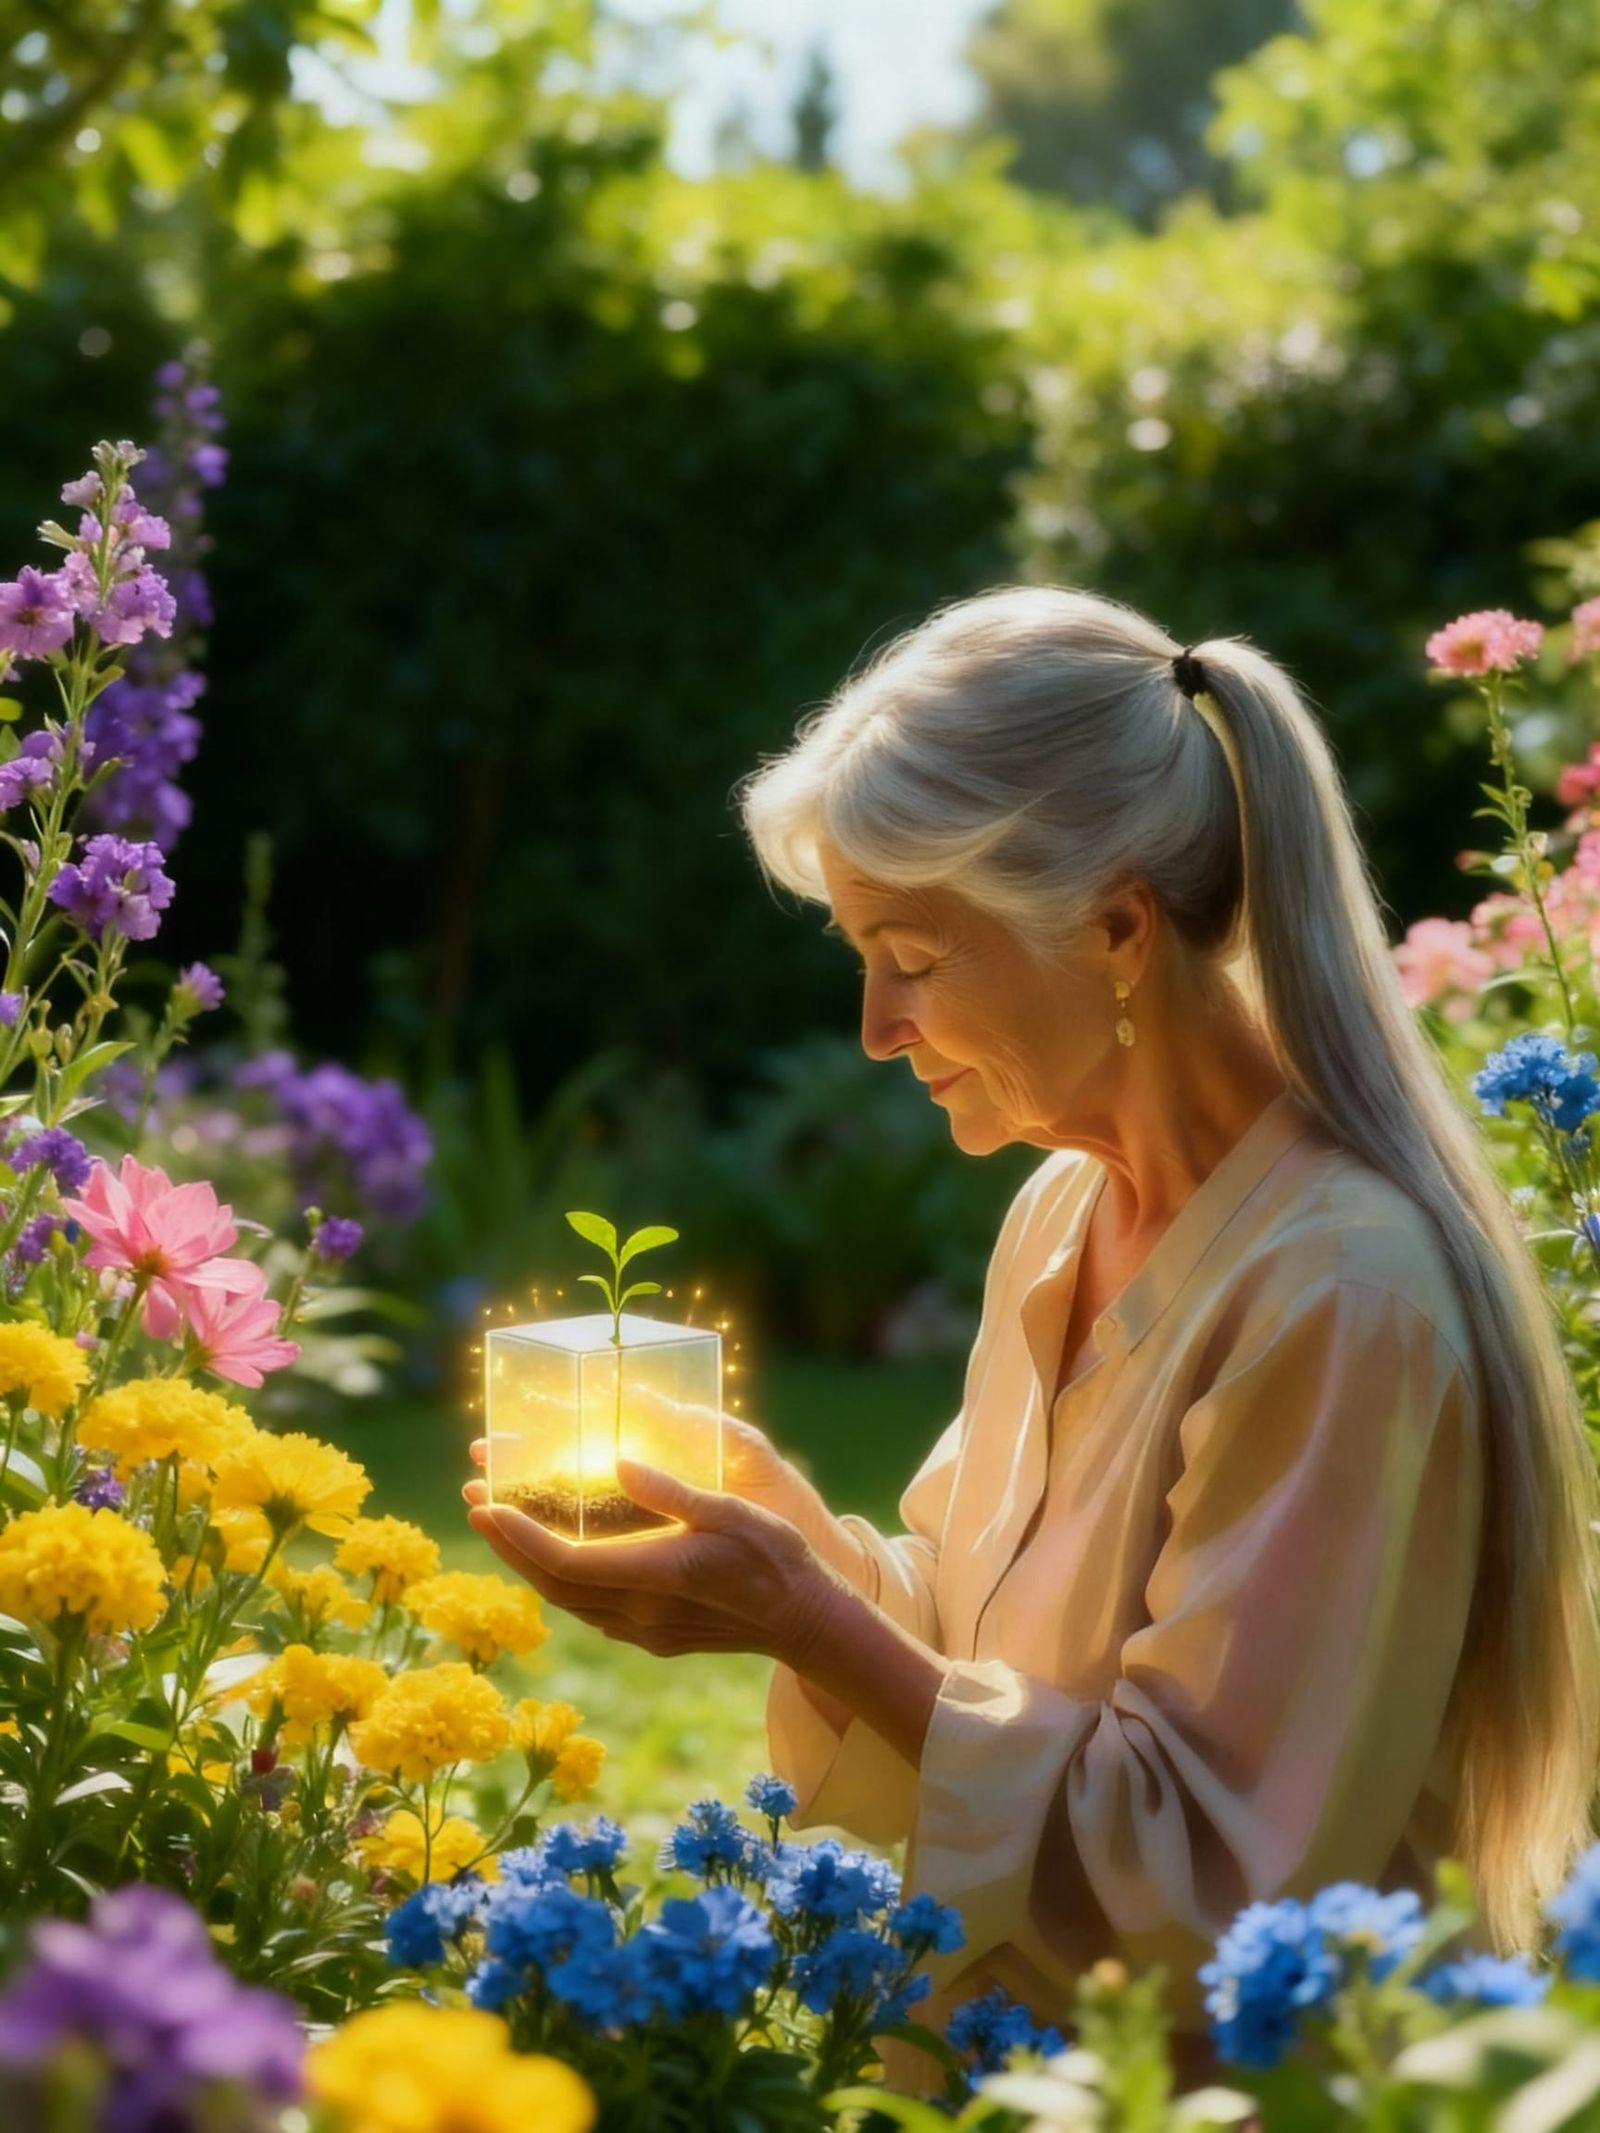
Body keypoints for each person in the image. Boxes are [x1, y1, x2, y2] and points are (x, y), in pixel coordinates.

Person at [464, 586, 1600, 2090]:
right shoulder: (1068, 1211)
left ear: (1119, 926)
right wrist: (793, 1547)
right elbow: (973, 1638)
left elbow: (1221, 1882)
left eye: (916, 957)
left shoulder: (1339, 1292)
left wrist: (810, 1614)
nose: (876, 1025)